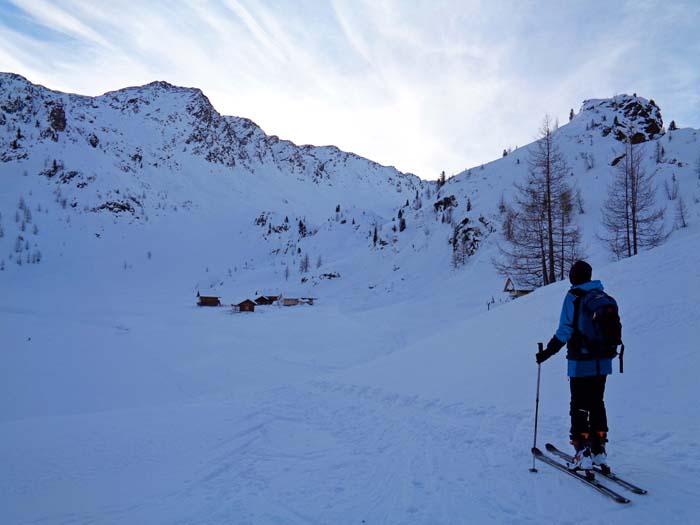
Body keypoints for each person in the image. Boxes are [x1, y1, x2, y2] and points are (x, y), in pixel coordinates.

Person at [535, 260, 614, 472]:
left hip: (581, 362)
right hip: (603, 361)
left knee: (579, 404)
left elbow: (565, 330)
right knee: (597, 402)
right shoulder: (603, 296)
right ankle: (599, 451)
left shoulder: (574, 297)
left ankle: (582, 452)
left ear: (574, 277)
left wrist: (547, 352)